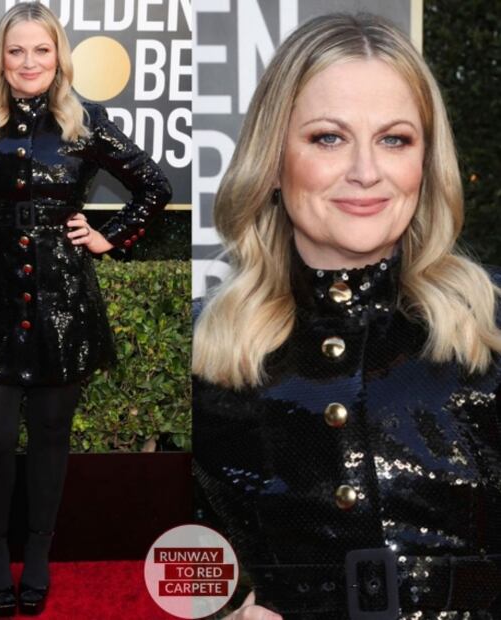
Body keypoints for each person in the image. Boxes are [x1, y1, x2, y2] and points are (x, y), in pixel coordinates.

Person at [192, 12, 501, 620]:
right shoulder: (201, 351)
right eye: (328, 138)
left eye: (395, 139)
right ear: (272, 160)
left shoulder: (489, 326)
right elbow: (163, 571)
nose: (366, 171)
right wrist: (217, 613)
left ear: (425, 163)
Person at [0, 3, 171, 617]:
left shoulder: (86, 123)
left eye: (41, 50)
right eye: (16, 50)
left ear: (58, 57)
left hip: (63, 301)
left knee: (51, 437)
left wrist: (109, 236)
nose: (29, 62)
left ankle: (40, 557)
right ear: (1, 58)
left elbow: (154, 186)